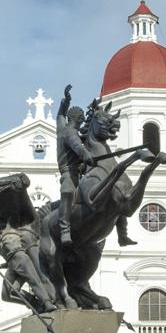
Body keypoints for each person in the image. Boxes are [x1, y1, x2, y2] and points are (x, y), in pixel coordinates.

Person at [55, 84, 96, 248]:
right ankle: (65, 229)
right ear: (79, 120)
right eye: (82, 121)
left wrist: (66, 101)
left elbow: (59, 115)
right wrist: (87, 156)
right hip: (70, 174)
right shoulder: (70, 133)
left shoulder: (61, 127)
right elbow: (77, 147)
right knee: (67, 192)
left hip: (78, 172)